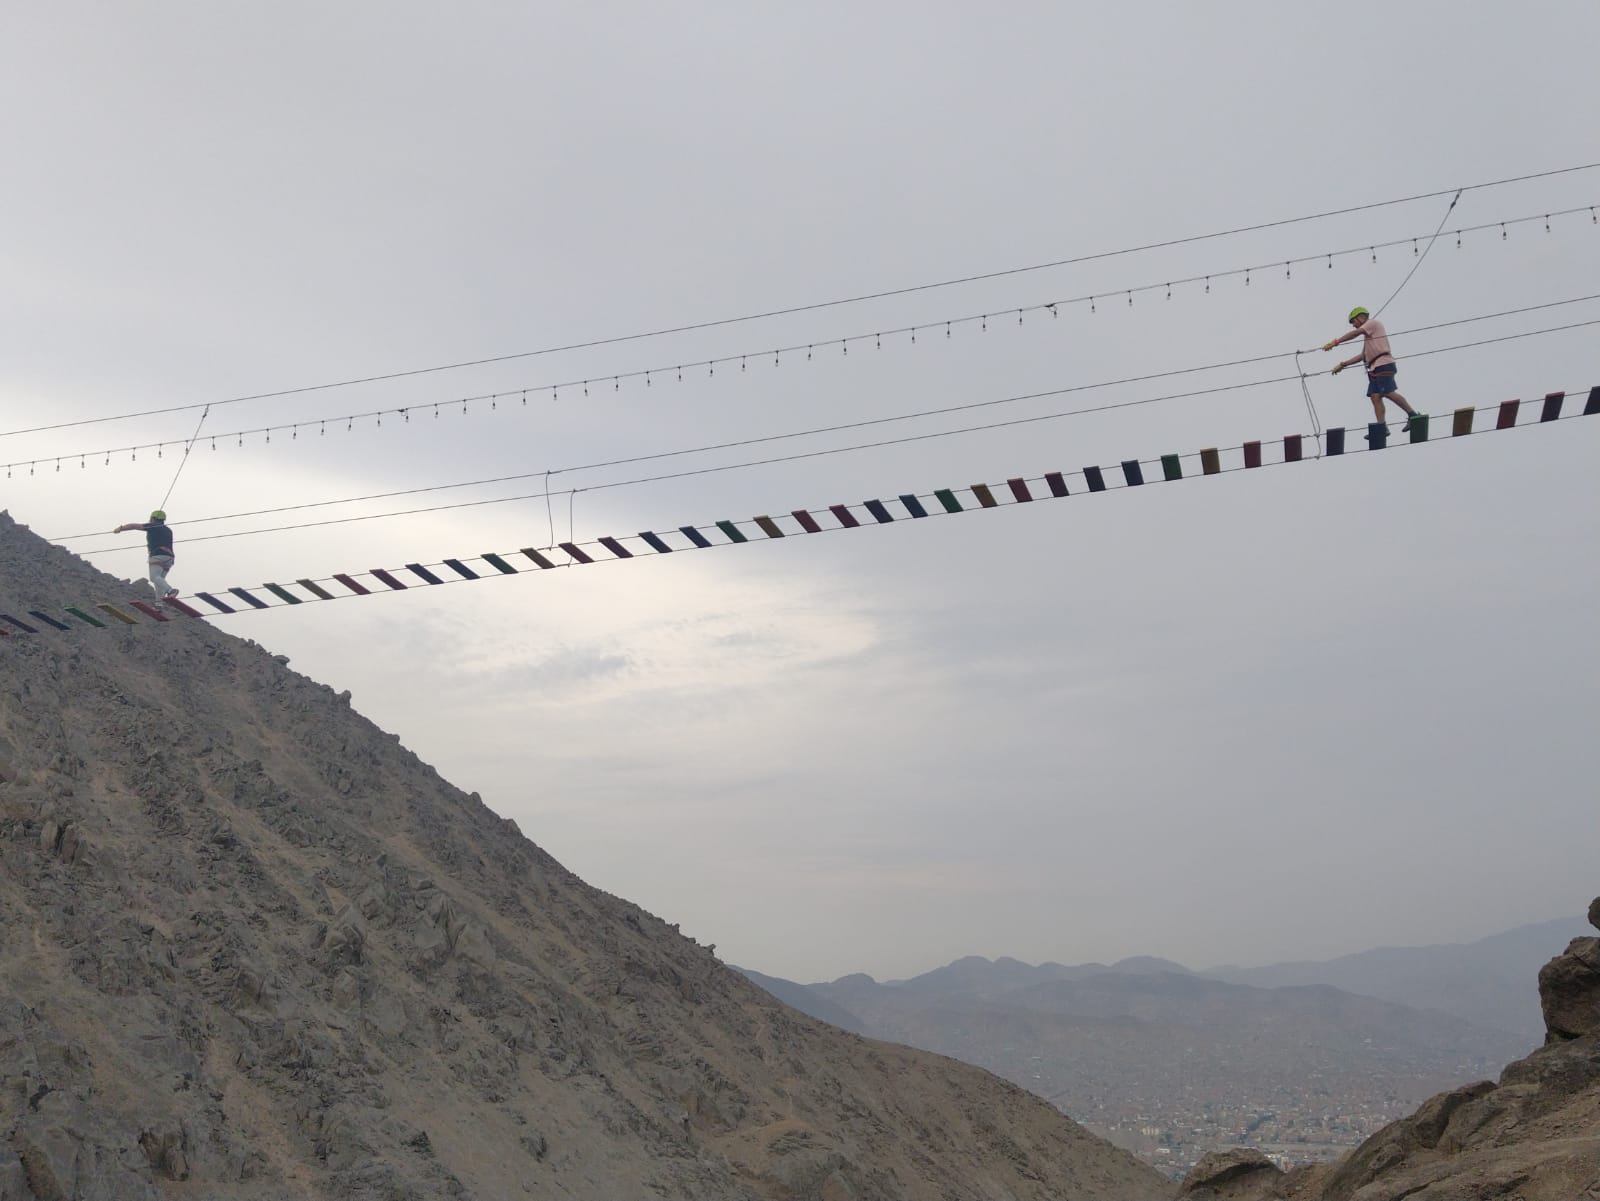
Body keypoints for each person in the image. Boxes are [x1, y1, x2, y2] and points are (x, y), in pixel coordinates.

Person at [1323, 306, 1421, 431]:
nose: (1353, 325)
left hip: (1383, 363)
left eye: (1353, 321)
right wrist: (1343, 364)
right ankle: (1382, 427)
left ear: (1361, 317)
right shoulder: (1369, 336)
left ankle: (1413, 415)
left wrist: (1336, 341)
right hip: (1374, 367)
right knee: (1375, 396)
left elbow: (1355, 334)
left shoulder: (1372, 324)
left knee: (1387, 392)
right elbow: (1363, 356)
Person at [113, 510, 178, 598]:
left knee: (154, 577)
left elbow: (133, 526)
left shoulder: (153, 526)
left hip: (158, 555)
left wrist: (120, 528)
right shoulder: (168, 530)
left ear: (153, 518)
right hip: (169, 558)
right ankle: (159, 605)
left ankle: (171, 591)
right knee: (159, 580)